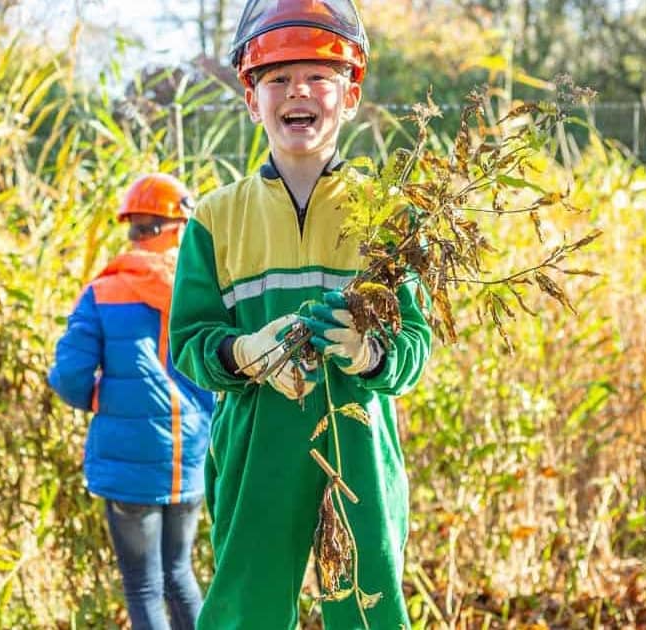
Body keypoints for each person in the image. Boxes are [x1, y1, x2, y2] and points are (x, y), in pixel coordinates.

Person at [168, 1, 433, 628]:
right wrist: (242, 353)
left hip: (359, 443)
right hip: (256, 445)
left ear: (350, 95)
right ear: (251, 99)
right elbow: (188, 340)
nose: (298, 93)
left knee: (370, 610)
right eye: (277, 79)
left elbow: (417, 342)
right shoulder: (215, 218)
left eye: (318, 76)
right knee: (246, 611)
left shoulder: (390, 214)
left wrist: (374, 355)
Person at [49, 174, 216, 630]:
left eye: (138, 229)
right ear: (182, 228)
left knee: (143, 587)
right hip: (188, 457)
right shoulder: (205, 293)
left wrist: (102, 398)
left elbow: (68, 377)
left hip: (127, 462)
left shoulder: (103, 291)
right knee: (179, 574)